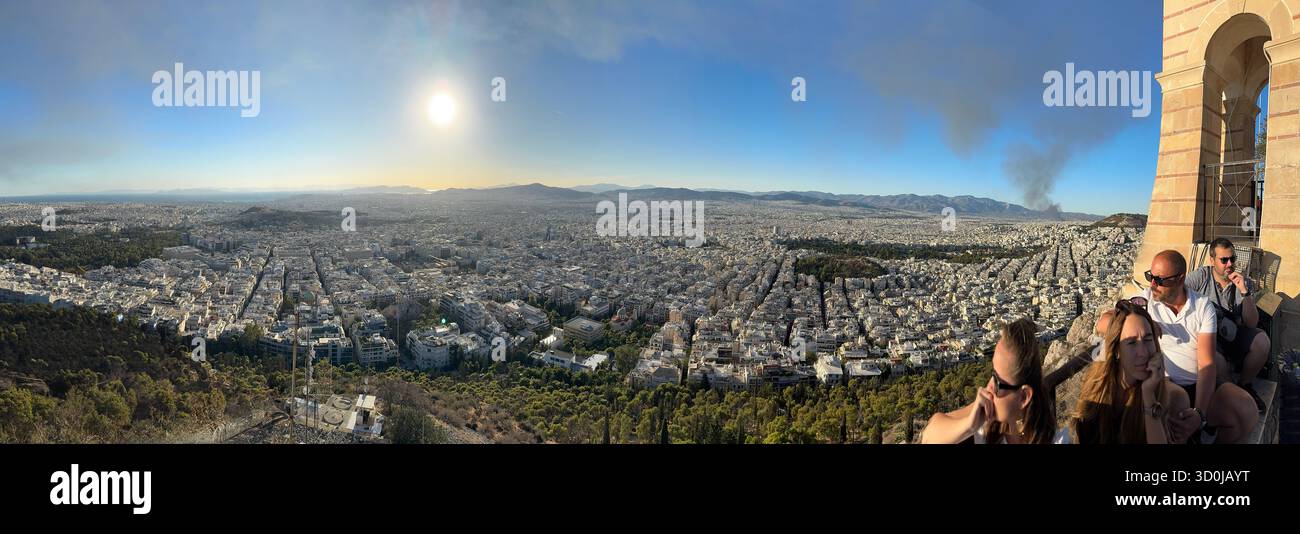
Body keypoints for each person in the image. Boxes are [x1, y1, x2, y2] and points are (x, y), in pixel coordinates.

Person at [1097, 250, 1258, 443]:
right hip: (1164, 386)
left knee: (1246, 411)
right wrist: (1144, 325)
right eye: (1150, 276)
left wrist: (1199, 413)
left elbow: (1206, 364)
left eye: (1160, 280)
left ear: (1180, 279)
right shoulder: (1145, 302)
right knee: (1177, 402)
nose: (1153, 284)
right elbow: (1104, 322)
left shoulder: (1201, 306)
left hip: (1198, 385)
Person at [1071, 298, 1190, 444]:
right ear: (1116, 350)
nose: (1143, 352)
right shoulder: (1096, 392)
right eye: (1131, 343)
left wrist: (1148, 395)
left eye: (1148, 339)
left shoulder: (1173, 398)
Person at [922, 318, 1055, 444]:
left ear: (1024, 397)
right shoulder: (988, 420)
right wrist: (969, 425)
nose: (988, 386)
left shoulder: (1057, 439)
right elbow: (929, 436)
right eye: (993, 374)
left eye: (997, 381)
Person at [1184, 238, 1271, 413]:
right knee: (1216, 360)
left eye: (1233, 259)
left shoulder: (1241, 282)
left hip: (1234, 333)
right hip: (1209, 336)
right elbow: (1179, 293)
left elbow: (1252, 322)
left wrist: (1245, 293)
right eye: (1224, 260)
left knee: (1262, 341)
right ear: (1212, 260)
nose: (1229, 264)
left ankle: (1244, 385)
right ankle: (1234, 395)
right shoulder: (1200, 277)